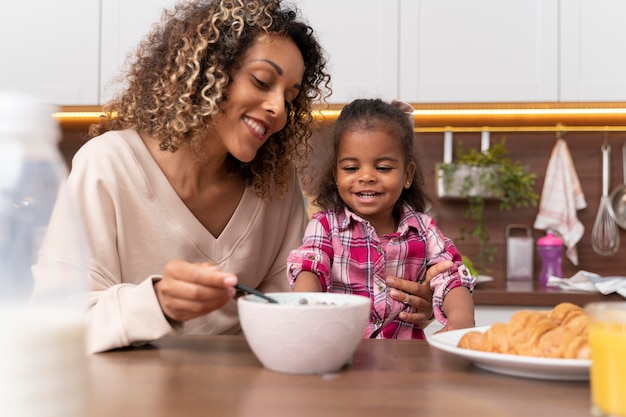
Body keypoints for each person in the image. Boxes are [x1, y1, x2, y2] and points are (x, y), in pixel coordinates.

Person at [31, 0, 438, 354]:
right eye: (262, 81)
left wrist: (396, 308)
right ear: (209, 71)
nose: (278, 108)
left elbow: (298, 310)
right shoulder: (108, 165)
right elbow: (57, 322)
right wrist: (157, 302)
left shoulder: (275, 188)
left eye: (291, 97)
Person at [287, 98, 476, 339]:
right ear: (336, 174)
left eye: (383, 168)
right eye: (351, 168)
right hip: (343, 355)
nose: (366, 177)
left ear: (407, 175)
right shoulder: (324, 225)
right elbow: (310, 268)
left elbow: (450, 277)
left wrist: (461, 320)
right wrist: (307, 312)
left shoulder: (424, 229)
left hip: (406, 364)